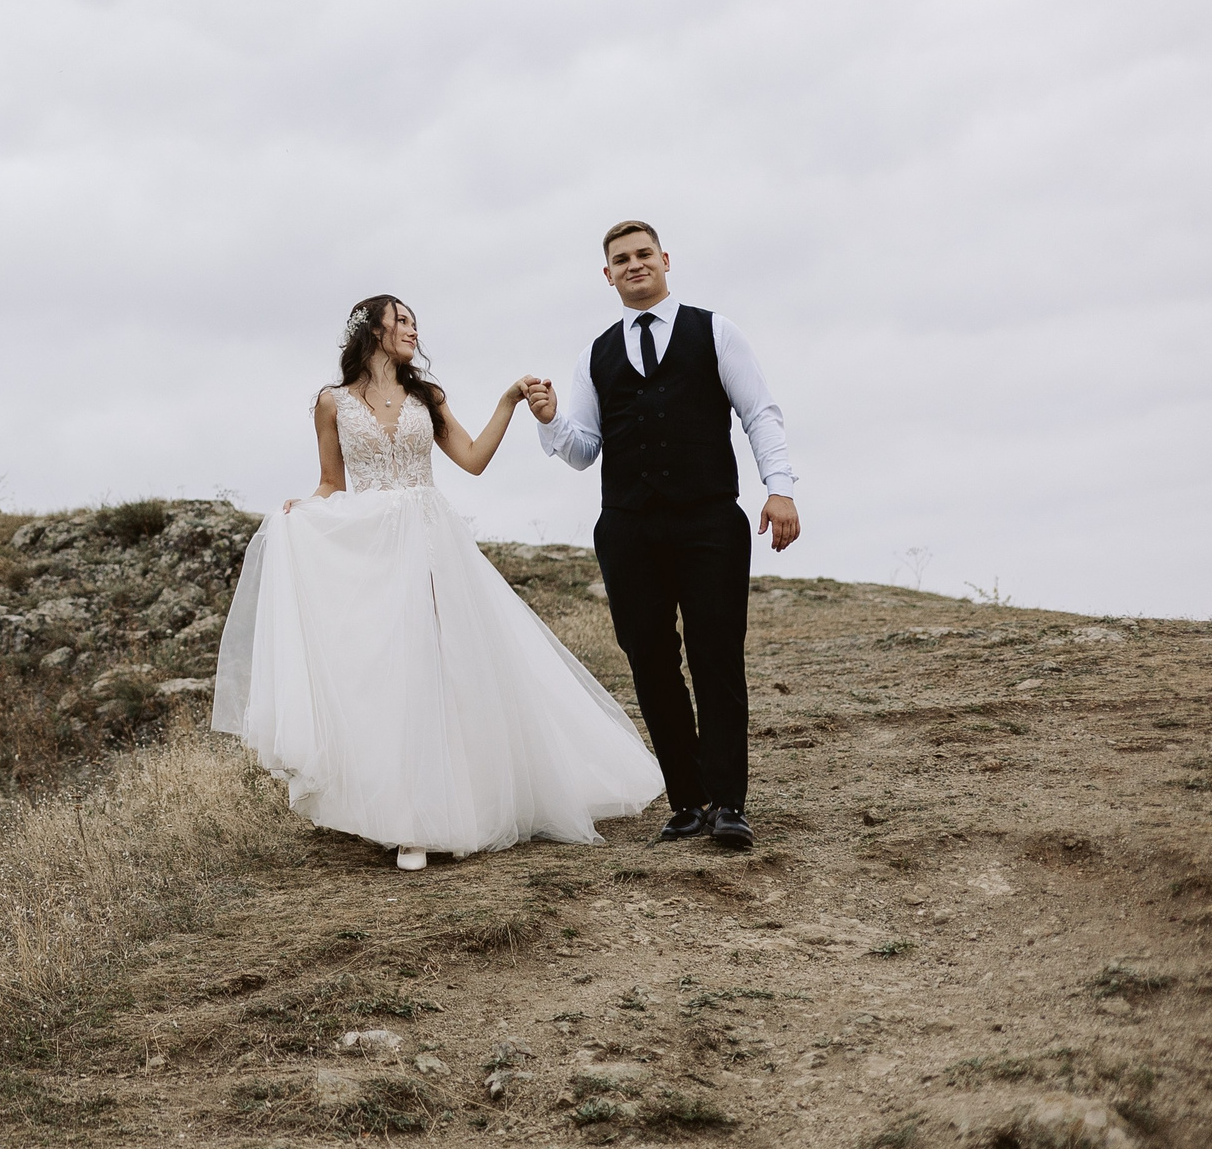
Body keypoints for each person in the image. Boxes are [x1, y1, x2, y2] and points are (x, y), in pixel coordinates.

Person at [212, 295, 665, 871]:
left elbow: (473, 459)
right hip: (372, 544)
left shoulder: (428, 396)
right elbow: (331, 481)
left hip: (430, 539)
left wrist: (507, 402)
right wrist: (303, 509)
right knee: (391, 673)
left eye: (413, 321)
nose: (411, 328)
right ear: (372, 330)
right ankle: (404, 820)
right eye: (399, 319)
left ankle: (444, 811)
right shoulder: (332, 403)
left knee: (442, 667)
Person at [522, 220, 800, 854]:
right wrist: (548, 421)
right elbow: (583, 450)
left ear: (665, 260)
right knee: (650, 661)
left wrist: (778, 489)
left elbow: (760, 413)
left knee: (715, 656)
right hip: (628, 527)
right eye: (621, 259)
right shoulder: (595, 353)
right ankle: (688, 803)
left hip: (709, 520)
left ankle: (729, 802)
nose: (634, 265)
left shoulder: (716, 332)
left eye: (643, 254)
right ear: (608, 274)